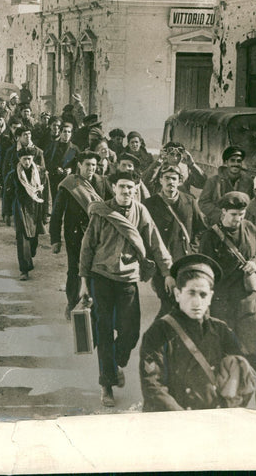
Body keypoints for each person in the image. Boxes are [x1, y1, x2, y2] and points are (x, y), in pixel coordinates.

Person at [78, 170, 174, 407]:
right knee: (103, 330)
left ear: (136, 189)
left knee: (130, 331)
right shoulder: (102, 212)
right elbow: (87, 247)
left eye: (131, 187)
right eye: (121, 187)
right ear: (113, 188)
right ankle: (107, 384)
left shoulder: (141, 211)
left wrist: (168, 272)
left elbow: (155, 241)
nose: (126, 192)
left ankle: (117, 363)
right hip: (101, 276)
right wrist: (83, 281)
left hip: (128, 277)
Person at [139, 254, 255, 412]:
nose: (197, 302)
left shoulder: (221, 330)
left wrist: (228, 408)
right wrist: (187, 421)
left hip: (213, 420)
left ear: (211, 297)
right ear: (178, 294)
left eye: (203, 295)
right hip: (174, 422)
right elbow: (153, 387)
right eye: (191, 293)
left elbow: (243, 373)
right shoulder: (159, 332)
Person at [198, 191, 256, 356]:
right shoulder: (210, 237)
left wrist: (254, 263)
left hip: (247, 298)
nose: (238, 219)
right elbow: (204, 270)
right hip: (222, 299)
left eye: (241, 214)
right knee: (223, 345)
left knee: (249, 345)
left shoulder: (250, 228)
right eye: (233, 214)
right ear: (223, 212)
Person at [144, 164, 208, 318]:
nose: (170, 182)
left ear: (180, 181)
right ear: (160, 180)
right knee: (169, 302)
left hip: (184, 261)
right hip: (162, 264)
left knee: (179, 303)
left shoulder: (189, 201)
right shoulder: (149, 204)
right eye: (166, 178)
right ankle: (158, 337)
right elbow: (144, 234)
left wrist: (193, 248)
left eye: (174, 178)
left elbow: (201, 229)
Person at [50, 150, 106, 318]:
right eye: (88, 165)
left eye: (94, 165)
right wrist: (55, 239)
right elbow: (57, 213)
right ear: (80, 165)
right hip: (74, 235)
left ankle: (92, 303)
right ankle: (72, 303)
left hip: (97, 235)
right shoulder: (69, 184)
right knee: (75, 269)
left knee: (96, 269)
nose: (91, 169)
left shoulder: (101, 182)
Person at [3, 146, 50, 280]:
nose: (27, 162)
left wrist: (47, 212)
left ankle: (31, 252)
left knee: (33, 239)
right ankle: (24, 269)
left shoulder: (41, 173)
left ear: (33, 159)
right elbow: (7, 195)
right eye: (24, 159)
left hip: (37, 208)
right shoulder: (13, 174)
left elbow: (47, 193)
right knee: (22, 238)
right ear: (19, 159)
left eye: (29, 159)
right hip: (20, 208)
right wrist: (6, 213)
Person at [198, 146, 254, 223]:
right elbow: (203, 202)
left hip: (240, 222)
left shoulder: (249, 182)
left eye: (239, 161)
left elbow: (252, 203)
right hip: (218, 222)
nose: (236, 164)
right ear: (226, 162)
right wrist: (221, 215)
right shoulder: (213, 181)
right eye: (232, 160)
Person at [142, 141, 206, 195]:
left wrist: (192, 165)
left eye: (178, 155)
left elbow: (202, 184)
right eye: (172, 154)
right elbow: (145, 182)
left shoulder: (185, 168)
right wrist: (158, 163)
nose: (175, 158)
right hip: (162, 203)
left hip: (182, 203)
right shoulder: (158, 167)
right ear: (166, 155)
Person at [44, 120, 79, 199]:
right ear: (60, 133)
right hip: (54, 180)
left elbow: (78, 165)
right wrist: (55, 168)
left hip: (68, 181)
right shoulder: (52, 147)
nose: (67, 134)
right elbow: (46, 162)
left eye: (69, 132)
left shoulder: (74, 149)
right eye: (65, 132)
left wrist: (71, 170)